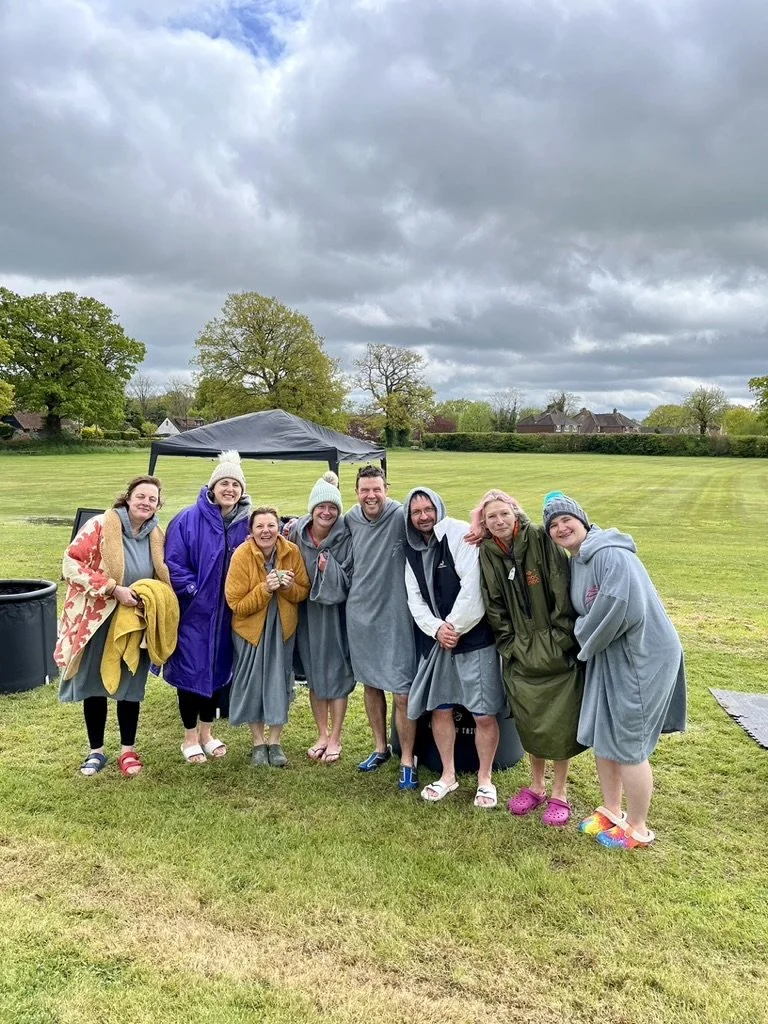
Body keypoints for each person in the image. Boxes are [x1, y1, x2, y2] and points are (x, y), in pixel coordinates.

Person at [543, 491, 687, 850]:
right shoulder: (578, 560)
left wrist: (578, 635)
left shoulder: (610, 555)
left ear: (583, 520)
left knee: (628, 743)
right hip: (610, 655)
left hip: (642, 656)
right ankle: (611, 810)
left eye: (566, 520)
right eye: (553, 525)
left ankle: (638, 827)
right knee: (604, 734)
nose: (561, 528)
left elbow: (620, 608)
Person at [472, 489, 585, 827]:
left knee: (561, 722)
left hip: (557, 649)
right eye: (491, 516)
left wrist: (560, 641)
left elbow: (561, 591)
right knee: (532, 721)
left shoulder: (539, 538)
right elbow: (493, 604)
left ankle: (560, 792)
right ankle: (536, 785)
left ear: (515, 512)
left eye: (504, 513)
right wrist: (511, 646)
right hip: (520, 655)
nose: (499, 521)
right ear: (485, 522)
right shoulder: (488, 552)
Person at [55, 476, 174, 778]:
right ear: (128, 498)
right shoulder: (100, 526)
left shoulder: (156, 535)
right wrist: (111, 588)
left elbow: (163, 575)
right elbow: (71, 564)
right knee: (95, 683)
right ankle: (96, 751)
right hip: (99, 619)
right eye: (141, 496)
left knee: (130, 686)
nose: (146, 502)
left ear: (158, 505)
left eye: (152, 499)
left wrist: (154, 598)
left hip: (135, 622)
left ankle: (127, 750)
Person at [403, 488, 506, 807]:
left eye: (428, 509)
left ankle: (485, 779)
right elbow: (415, 599)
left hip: (474, 639)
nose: (423, 516)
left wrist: (455, 627)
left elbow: (472, 587)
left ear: (438, 508)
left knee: (484, 714)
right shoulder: (411, 551)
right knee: (441, 709)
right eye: (416, 512)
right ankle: (448, 775)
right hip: (440, 642)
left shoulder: (460, 534)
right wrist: (437, 630)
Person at [164, 451, 251, 764]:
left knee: (216, 674)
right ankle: (189, 737)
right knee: (190, 674)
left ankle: (207, 733)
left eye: (235, 484)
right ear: (213, 487)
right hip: (194, 614)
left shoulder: (246, 523)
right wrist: (193, 589)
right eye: (224, 483)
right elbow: (172, 561)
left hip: (227, 615)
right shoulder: (188, 519)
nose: (229, 489)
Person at [345, 466, 418, 790]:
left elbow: (433, 525)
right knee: (371, 685)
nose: (371, 495)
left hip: (396, 615)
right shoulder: (350, 519)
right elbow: (320, 529)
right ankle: (380, 748)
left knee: (402, 692)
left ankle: (408, 760)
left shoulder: (401, 516)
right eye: (365, 490)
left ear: (386, 489)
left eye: (377, 489)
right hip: (360, 614)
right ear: (357, 492)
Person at [224, 505, 310, 767]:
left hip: (282, 629)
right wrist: (265, 588)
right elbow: (235, 603)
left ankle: (275, 742)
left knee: (278, 682)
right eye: (259, 526)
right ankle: (258, 743)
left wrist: (287, 587)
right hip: (250, 631)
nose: (266, 531)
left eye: (271, 525)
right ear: (251, 531)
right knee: (253, 684)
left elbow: (302, 592)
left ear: (278, 527)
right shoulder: (242, 555)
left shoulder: (291, 552)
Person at [288, 472, 354, 763]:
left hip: (335, 615)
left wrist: (331, 569)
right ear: (311, 509)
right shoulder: (297, 533)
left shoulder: (346, 536)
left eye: (332, 508)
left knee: (336, 675)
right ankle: (322, 734)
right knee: (315, 673)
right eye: (320, 507)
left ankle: (336, 737)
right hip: (307, 613)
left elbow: (351, 575)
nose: (326, 513)